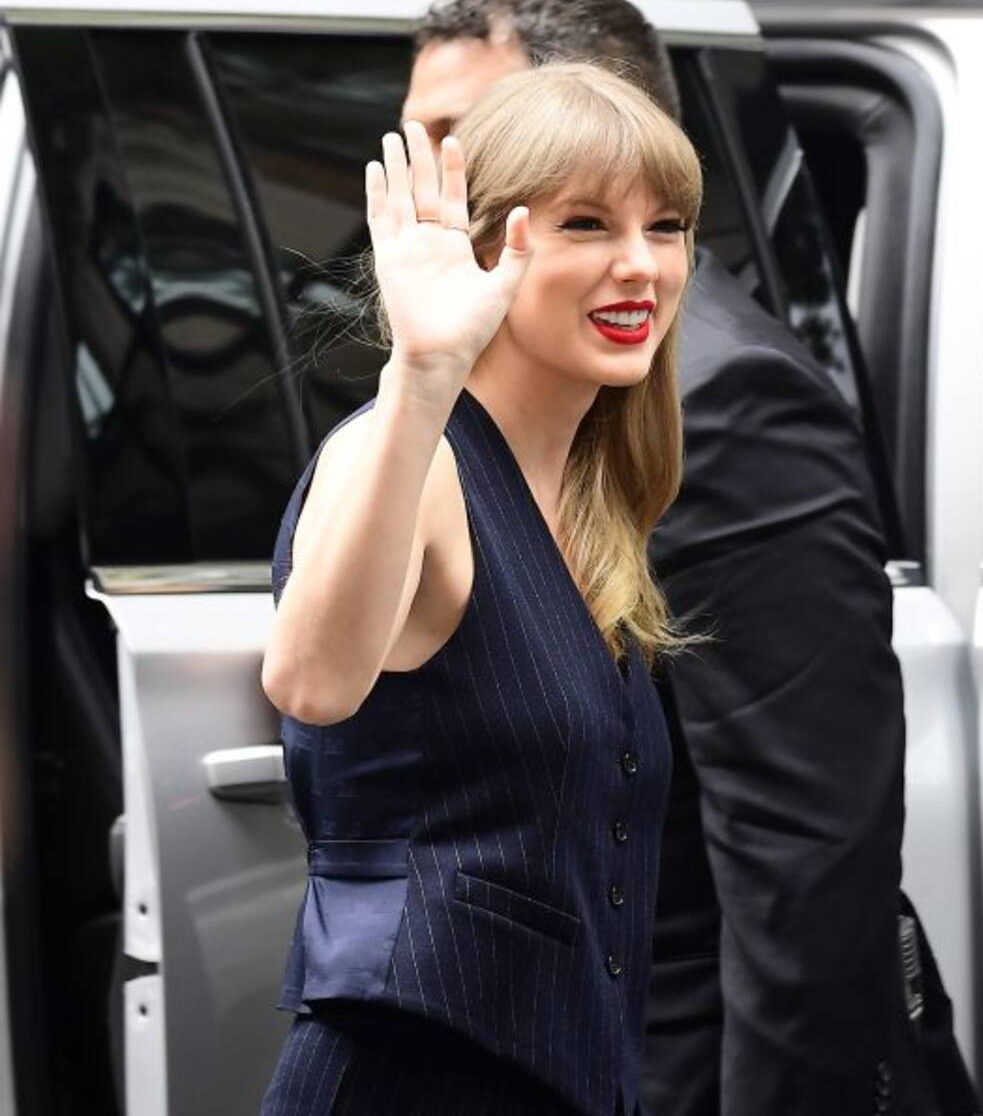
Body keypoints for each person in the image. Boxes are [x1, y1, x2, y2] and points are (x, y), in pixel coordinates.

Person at [400, 0, 978, 1116]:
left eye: (462, 136)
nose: (427, 175)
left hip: (680, 1059)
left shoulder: (720, 394)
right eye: (416, 138)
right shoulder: (496, 386)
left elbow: (803, 847)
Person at [259, 61, 703, 1116]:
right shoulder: (409, 455)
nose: (640, 265)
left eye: (668, 226)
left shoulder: (590, 497)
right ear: (483, 245)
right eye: (587, 224)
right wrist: (421, 375)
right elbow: (312, 681)